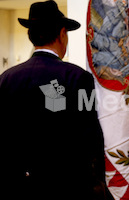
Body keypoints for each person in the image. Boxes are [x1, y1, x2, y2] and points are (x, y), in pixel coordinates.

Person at [0, 1, 112, 199]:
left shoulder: (6, 78)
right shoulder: (78, 77)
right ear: (62, 34)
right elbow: (90, 135)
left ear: (31, 35)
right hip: (65, 185)